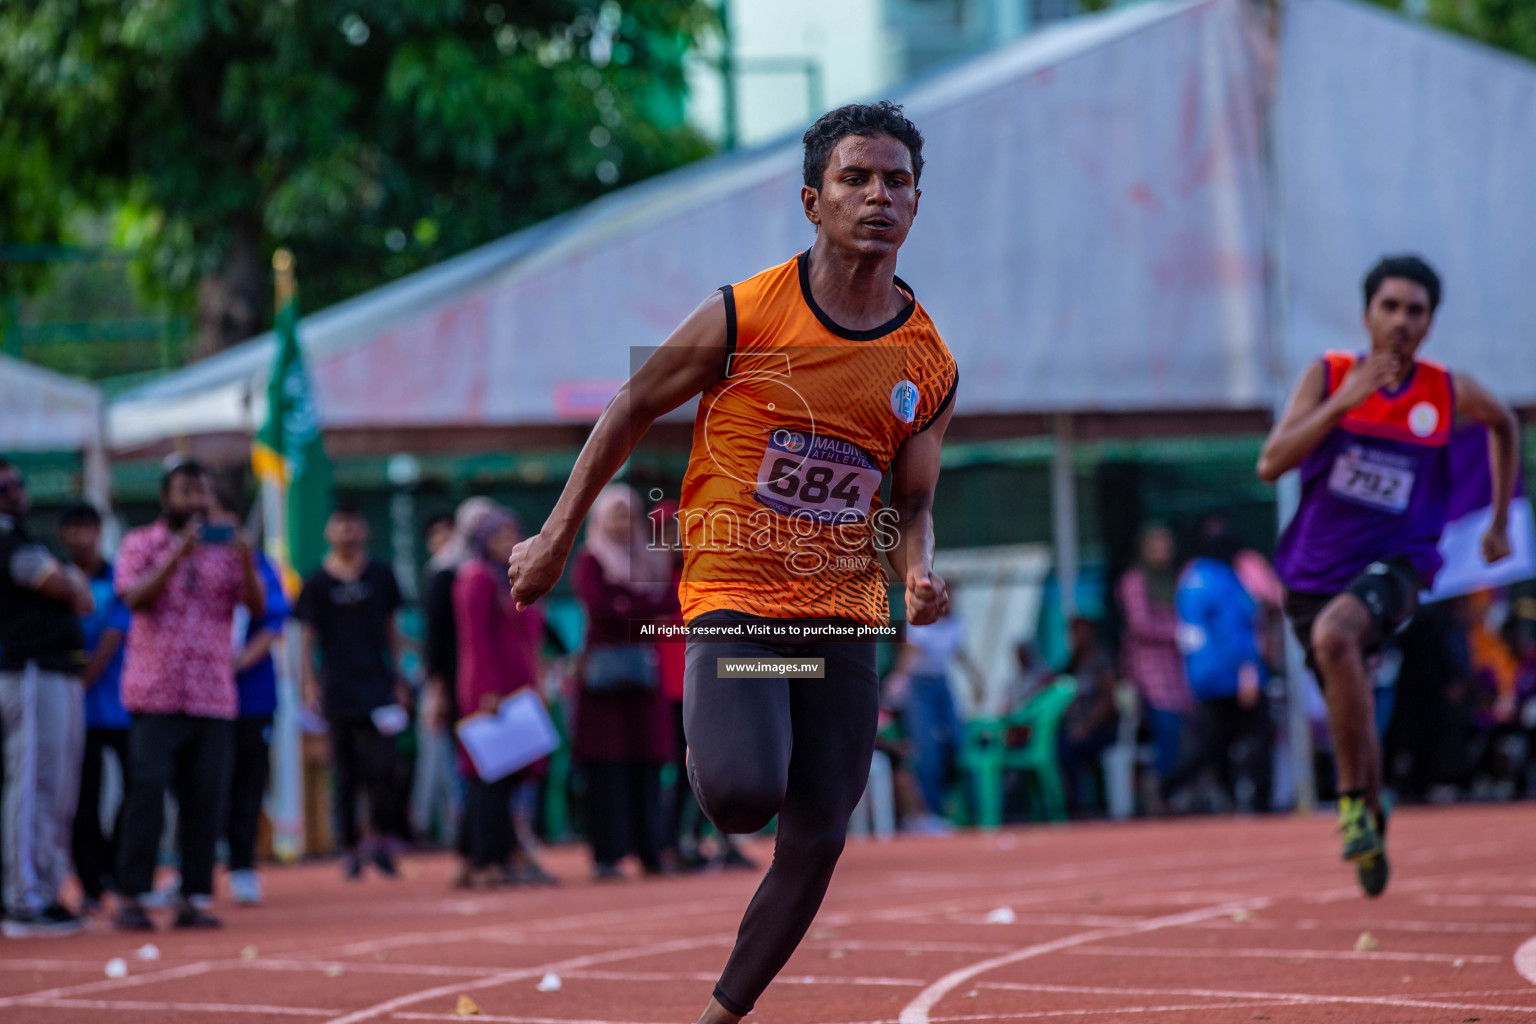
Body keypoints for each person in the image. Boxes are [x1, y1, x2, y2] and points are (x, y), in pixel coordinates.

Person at [508, 101, 956, 1024]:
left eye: (897, 181)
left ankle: (720, 1016)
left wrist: (918, 569)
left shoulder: (932, 362)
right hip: (735, 594)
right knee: (747, 793)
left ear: (917, 204)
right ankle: (725, 731)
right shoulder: (742, 312)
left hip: (840, 612)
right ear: (811, 200)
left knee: (820, 834)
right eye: (855, 178)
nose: (879, 195)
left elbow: (911, 501)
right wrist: (555, 537)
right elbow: (627, 407)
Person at [1259, 254, 1519, 896]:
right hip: (1313, 571)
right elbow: (1271, 464)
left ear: (1430, 323)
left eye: (1416, 310)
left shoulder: (1446, 391)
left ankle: (1348, 804)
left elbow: (1505, 424)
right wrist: (1346, 403)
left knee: (1336, 640)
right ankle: (1371, 812)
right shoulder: (1330, 375)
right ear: (1367, 314)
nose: (1402, 321)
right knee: (1342, 679)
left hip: (1402, 560)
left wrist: (1497, 524)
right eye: (1391, 307)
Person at [114, 457, 264, 931]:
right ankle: (133, 895)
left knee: (206, 799)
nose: (196, 500)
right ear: (166, 498)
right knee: (147, 794)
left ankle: (194, 896)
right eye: (186, 491)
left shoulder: (226, 551)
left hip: (213, 696)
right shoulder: (140, 543)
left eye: (201, 491)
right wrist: (177, 555)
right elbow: (134, 598)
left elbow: (257, 607)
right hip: (154, 694)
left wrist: (243, 556)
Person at [0, 462, 93, 937]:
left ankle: (49, 890)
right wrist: (68, 580)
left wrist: (69, 581)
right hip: (29, 672)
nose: (13, 492)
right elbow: (69, 590)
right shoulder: (9, 543)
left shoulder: (28, 539)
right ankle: (21, 898)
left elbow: (82, 596)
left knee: (57, 786)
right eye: (3, 487)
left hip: (59, 672)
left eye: (16, 484)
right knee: (31, 784)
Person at [296, 501, 409, 879]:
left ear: (363, 529)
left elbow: (394, 631)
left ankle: (380, 839)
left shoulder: (381, 574)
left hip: (377, 685)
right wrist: (309, 685)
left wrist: (399, 677)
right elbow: (306, 640)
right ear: (329, 532)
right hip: (338, 687)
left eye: (353, 523)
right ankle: (350, 847)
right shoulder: (316, 582)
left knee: (384, 767)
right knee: (345, 772)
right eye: (340, 524)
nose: (347, 531)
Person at [570, 485, 675, 880]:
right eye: (614, 514)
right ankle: (608, 854)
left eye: (627, 514)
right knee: (607, 766)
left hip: (643, 679)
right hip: (603, 685)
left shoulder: (649, 561)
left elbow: (668, 603)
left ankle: (651, 850)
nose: (620, 522)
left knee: (647, 763)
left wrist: (627, 607)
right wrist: (639, 610)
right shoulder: (590, 560)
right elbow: (601, 606)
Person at [452, 505, 557, 887]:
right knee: (489, 777)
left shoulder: (514, 578)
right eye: (498, 535)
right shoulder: (476, 579)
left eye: (513, 533)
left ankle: (475, 857)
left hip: (520, 688)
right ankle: (487, 860)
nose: (508, 542)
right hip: (490, 690)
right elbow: (474, 640)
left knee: (508, 776)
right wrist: (486, 692)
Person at [1163, 517, 1272, 813]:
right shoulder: (1223, 577)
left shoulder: (1190, 577)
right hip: (1231, 674)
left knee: (1215, 740)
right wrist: (1247, 669)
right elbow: (1232, 629)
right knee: (1254, 734)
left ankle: (1216, 794)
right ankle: (1260, 802)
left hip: (1201, 673)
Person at [58, 503, 132, 916]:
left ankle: (119, 869)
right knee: (82, 799)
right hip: (76, 712)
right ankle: (89, 881)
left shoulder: (120, 576)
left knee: (138, 788)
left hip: (121, 705)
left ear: (100, 531)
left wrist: (82, 677)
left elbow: (115, 634)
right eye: (72, 529)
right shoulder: (54, 579)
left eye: (88, 528)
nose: (80, 537)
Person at [223, 493, 292, 907]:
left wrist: (234, 665)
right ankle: (191, 868)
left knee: (248, 781)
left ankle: (242, 865)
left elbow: (273, 621)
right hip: (198, 698)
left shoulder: (260, 566)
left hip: (251, 696)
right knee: (199, 785)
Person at [419, 498, 493, 869]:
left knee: (495, 769)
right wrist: (438, 691)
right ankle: (472, 852)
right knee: (468, 772)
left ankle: (486, 849)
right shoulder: (444, 575)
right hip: (458, 686)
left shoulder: (493, 571)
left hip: (492, 685)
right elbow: (435, 641)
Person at [885, 607, 983, 832]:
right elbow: (910, 654)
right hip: (919, 685)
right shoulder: (918, 621)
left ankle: (968, 810)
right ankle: (928, 813)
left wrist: (977, 679)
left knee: (959, 745)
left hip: (941, 684)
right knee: (927, 752)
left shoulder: (956, 622)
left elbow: (961, 654)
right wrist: (900, 679)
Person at [1117, 523, 1192, 792]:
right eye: (1157, 545)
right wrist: (1176, 632)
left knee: (1186, 730)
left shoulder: (1173, 578)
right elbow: (1140, 624)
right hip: (1149, 672)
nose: (1163, 551)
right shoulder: (1135, 580)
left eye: (1166, 544)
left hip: (1177, 669)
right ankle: (1160, 789)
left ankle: (1175, 790)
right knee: (1166, 727)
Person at [1055, 618, 1120, 817]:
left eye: (1081, 632)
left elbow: (1109, 701)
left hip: (1101, 729)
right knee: (1055, 746)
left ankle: (1080, 805)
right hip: (1076, 730)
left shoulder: (1101, 660)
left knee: (1068, 749)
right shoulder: (1071, 663)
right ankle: (1064, 804)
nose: (1077, 638)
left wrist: (1086, 728)